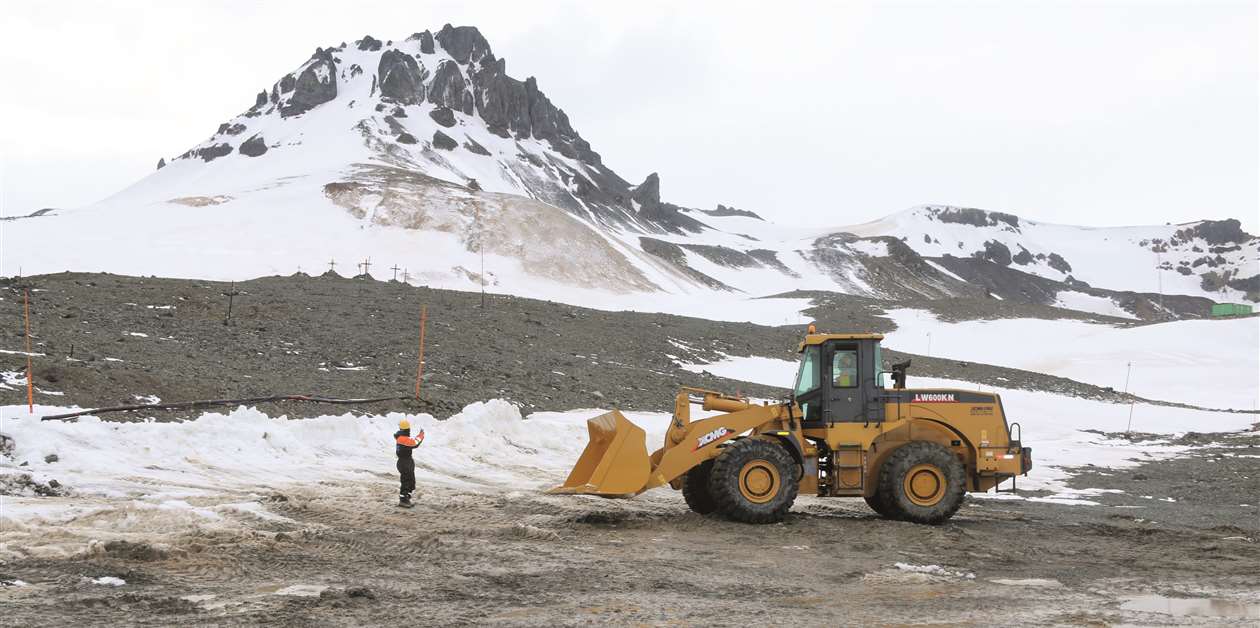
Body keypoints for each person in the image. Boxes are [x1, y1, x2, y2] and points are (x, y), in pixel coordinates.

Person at [394, 418, 425, 508]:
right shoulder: (402, 439)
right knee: (406, 482)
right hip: (404, 462)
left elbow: (412, 443)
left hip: (406, 461)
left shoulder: (402, 438)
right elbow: (415, 443)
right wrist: (421, 435)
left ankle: (406, 498)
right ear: (407, 430)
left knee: (411, 482)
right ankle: (403, 500)